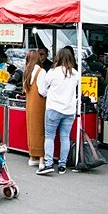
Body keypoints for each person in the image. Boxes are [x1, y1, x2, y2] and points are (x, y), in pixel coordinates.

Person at [36, 47, 78, 175]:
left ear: (58, 57)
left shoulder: (52, 72)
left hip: (53, 108)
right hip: (69, 110)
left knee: (49, 137)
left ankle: (48, 163)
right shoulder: (75, 74)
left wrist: (50, 92)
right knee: (65, 137)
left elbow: (42, 91)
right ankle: (62, 165)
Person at [23, 50, 46, 167]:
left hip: (30, 104)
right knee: (40, 130)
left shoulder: (27, 71)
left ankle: (32, 156)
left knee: (31, 129)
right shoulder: (41, 71)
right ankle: (41, 158)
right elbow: (42, 91)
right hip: (39, 103)